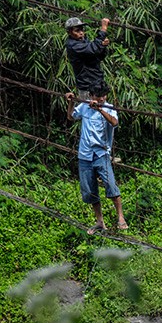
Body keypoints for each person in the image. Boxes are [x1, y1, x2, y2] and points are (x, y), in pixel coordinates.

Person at [65, 81, 128, 234]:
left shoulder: (109, 108)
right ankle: (100, 222)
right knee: (90, 190)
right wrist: (71, 102)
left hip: (101, 154)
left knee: (111, 185)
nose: (101, 99)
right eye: (98, 96)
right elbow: (71, 117)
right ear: (91, 95)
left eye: (103, 96)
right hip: (85, 154)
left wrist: (100, 110)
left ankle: (120, 217)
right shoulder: (85, 106)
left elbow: (114, 122)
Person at [65, 16, 111, 100]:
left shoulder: (83, 41)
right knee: (88, 111)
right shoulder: (73, 45)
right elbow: (93, 49)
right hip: (87, 88)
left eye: (82, 29)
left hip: (97, 84)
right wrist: (103, 29)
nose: (81, 32)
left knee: (101, 111)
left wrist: (103, 46)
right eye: (77, 30)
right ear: (69, 32)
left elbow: (98, 55)